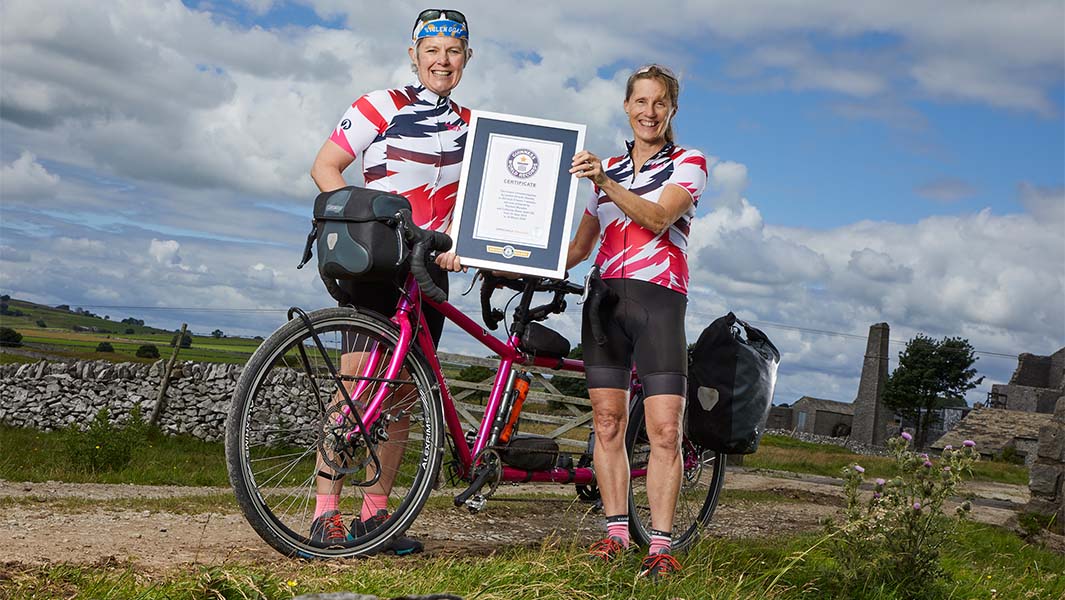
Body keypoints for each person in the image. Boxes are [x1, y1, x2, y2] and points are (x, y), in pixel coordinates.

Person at [307, 8, 472, 554]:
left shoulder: (474, 125)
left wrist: (460, 242)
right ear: (413, 54)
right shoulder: (379, 105)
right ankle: (326, 514)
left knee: (404, 394)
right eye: (432, 50)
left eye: (453, 51)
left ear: (466, 59)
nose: (442, 61)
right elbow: (326, 168)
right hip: (377, 264)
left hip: (431, 268)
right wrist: (364, 224)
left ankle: (375, 519)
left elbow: (482, 201)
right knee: (356, 384)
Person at [566, 64, 707, 580]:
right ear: (626, 106)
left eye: (660, 103)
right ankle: (617, 534)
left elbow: (657, 218)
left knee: (665, 429)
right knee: (607, 424)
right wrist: (502, 253)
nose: (649, 112)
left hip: (660, 303)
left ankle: (662, 545)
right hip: (604, 304)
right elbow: (581, 249)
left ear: (671, 110)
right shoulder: (600, 170)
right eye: (640, 102)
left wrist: (604, 180)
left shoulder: (688, 162)